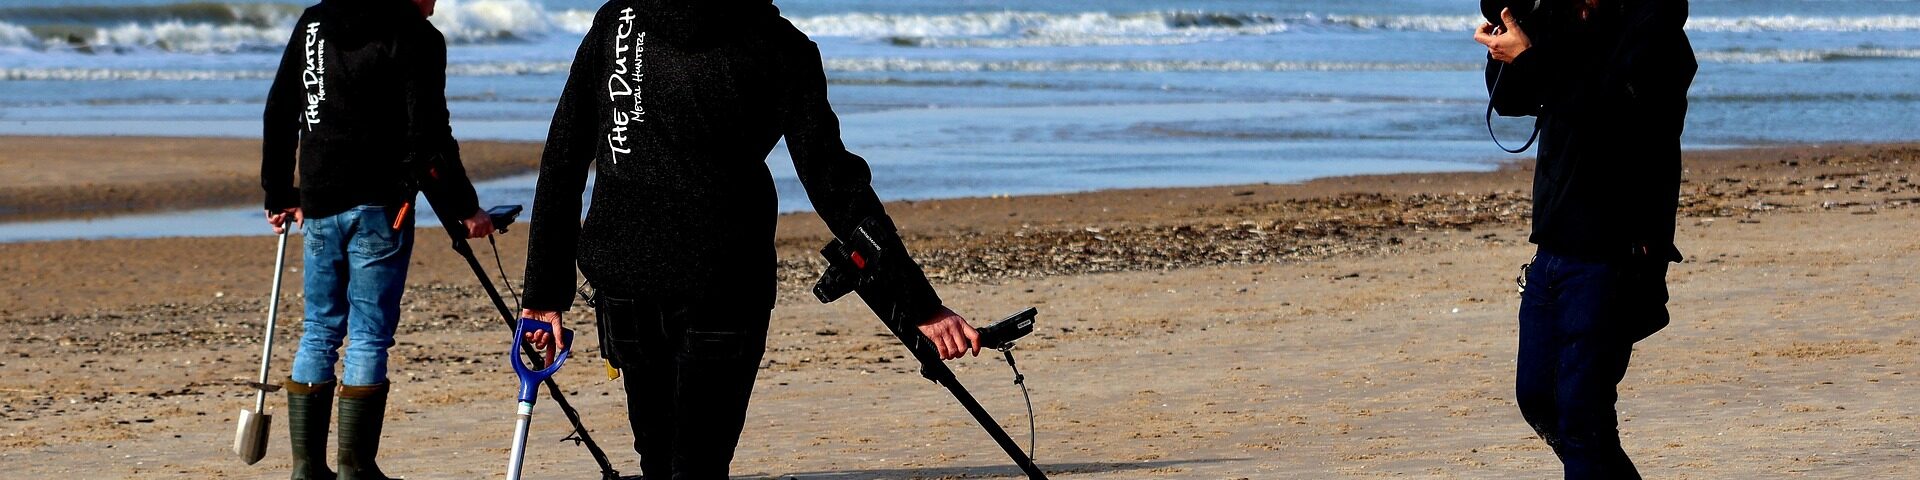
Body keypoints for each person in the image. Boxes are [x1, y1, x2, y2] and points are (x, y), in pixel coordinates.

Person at [516, 1, 983, 477]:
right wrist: (921, 305)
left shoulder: (620, 19)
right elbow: (836, 186)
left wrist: (543, 296)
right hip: (719, 281)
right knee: (694, 463)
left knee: (661, 459)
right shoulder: (781, 47)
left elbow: (563, 159)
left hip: (632, 278)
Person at [260, 0, 493, 478]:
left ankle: (307, 470)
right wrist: (465, 209)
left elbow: (281, 109)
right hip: (379, 204)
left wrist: (280, 192)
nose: (437, 3)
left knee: (319, 331)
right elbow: (429, 136)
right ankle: (355, 469)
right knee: (367, 334)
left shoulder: (316, 20)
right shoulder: (417, 37)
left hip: (321, 197)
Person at [1475, 1, 1696, 478]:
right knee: (1538, 397)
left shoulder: (1655, 30)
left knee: (1582, 414)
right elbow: (1514, 101)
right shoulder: (1566, 24)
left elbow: (1613, 112)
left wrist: (1533, 58)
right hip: (1554, 246)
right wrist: (1506, 45)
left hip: (1618, 251)